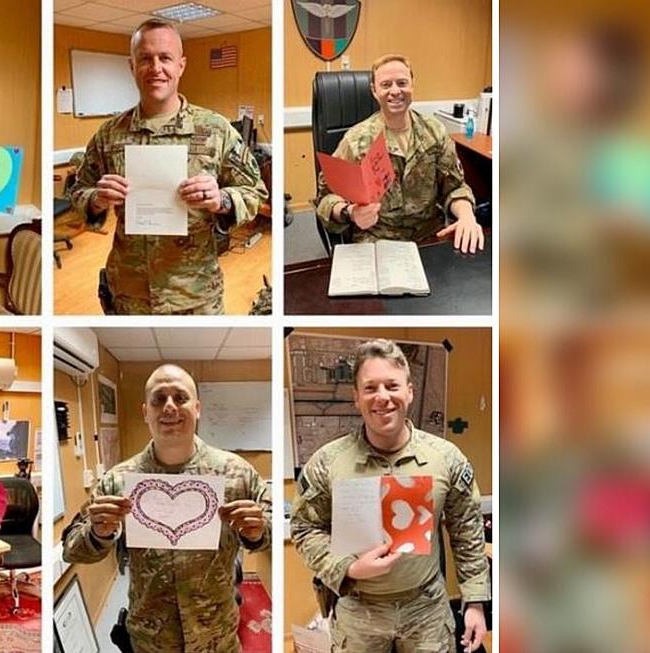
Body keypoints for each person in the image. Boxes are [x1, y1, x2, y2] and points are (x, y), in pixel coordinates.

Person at [291, 339, 489, 652]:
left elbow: (467, 531)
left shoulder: (446, 458)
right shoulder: (328, 463)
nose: (382, 397)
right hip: (357, 611)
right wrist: (347, 568)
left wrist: (475, 601)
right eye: (370, 388)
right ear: (356, 397)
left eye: (392, 385)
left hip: (426, 610)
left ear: (409, 391)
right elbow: (304, 528)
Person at [62, 364, 272, 652]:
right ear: (145, 411)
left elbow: (276, 526)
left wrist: (259, 531)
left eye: (180, 398)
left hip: (217, 637)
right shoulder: (119, 481)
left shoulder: (235, 473)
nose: (170, 407)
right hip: (151, 641)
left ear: (197, 408)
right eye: (159, 399)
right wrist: (98, 533)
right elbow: (71, 548)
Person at [69, 19, 269, 315]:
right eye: (145, 59)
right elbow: (78, 191)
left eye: (165, 58)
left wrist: (221, 200)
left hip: (194, 294)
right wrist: (96, 200)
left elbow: (255, 192)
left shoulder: (216, 129)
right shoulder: (109, 134)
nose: (156, 68)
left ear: (181, 65)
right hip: (128, 292)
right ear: (132, 65)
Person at [316, 54, 485, 253]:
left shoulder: (434, 132)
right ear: (374, 90)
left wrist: (467, 217)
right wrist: (350, 212)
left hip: (429, 238)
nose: (395, 91)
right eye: (386, 84)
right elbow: (326, 198)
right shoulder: (357, 141)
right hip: (377, 239)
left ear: (412, 85)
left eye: (402, 83)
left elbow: (455, 187)